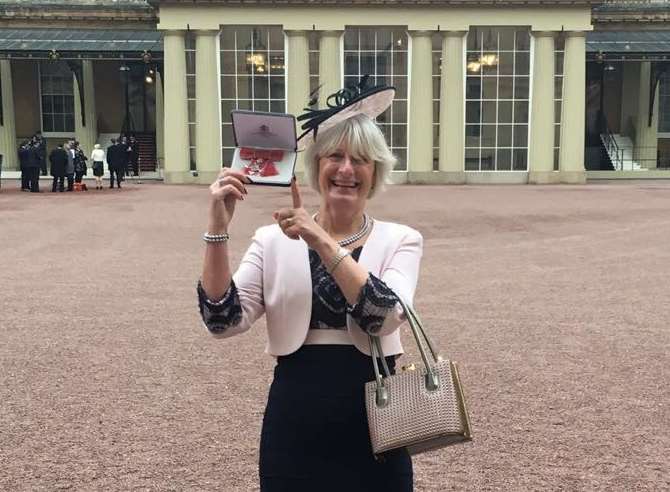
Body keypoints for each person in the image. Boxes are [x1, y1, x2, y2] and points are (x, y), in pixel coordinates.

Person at [197, 80, 422, 491]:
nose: (347, 170)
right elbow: (222, 320)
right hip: (296, 415)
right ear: (317, 166)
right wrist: (218, 227)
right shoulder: (271, 239)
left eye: (362, 160)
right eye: (335, 156)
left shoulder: (401, 240)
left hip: (380, 414)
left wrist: (317, 237)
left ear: (376, 173)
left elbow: (383, 316)